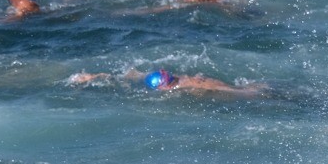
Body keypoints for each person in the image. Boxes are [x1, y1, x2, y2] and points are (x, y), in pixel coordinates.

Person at [69, 68, 266, 96]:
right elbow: (133, 74)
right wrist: (95, 76)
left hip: (244, 92)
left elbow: (232, 91)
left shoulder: (187, 85)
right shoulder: (178, 79)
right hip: (246, 87)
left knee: (247, 92)